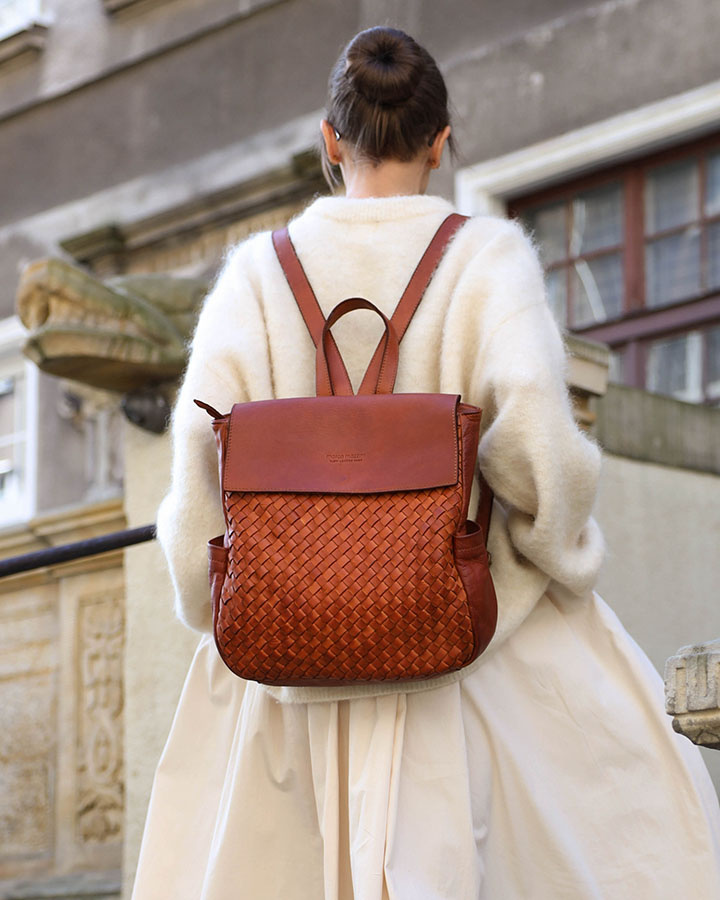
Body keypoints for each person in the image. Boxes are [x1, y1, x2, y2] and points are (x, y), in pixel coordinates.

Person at [130, 25, 720, 900]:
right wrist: (549, 562)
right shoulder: (488, 261)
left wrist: (220, 608)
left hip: (288, 676)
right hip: (459, 665)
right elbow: (540, 461)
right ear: (441, 143)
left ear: (330, 141)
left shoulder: (252, 278)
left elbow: (196, 492)